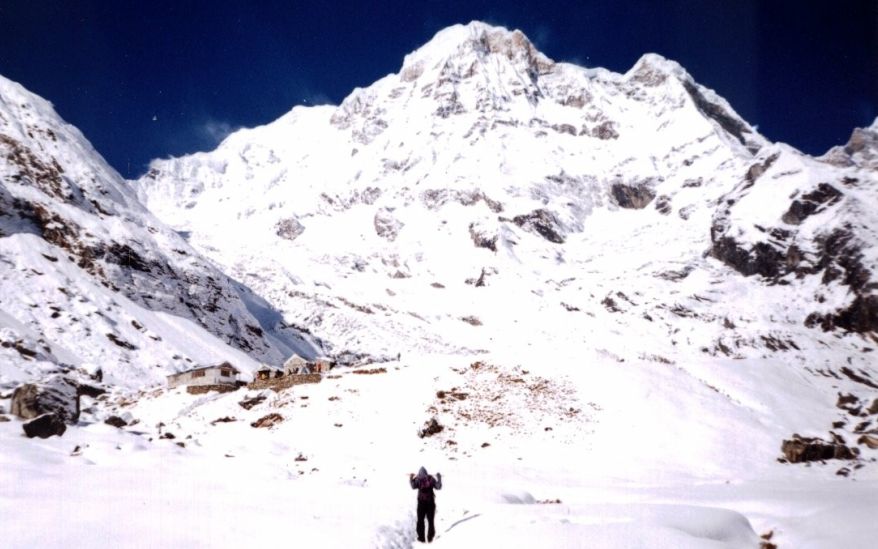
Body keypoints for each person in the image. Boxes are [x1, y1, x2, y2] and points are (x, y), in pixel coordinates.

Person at [409, 466, 442, 543]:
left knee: (420, 520)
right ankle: (430, 538)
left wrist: (411, 478)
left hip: (421, 503)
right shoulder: (431, 479)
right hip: (431, 503)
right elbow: (438, 487)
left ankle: (421, 538)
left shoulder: (418, 479)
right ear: (426, 473)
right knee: (430, 521)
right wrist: (439, 478)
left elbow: (413, 486)